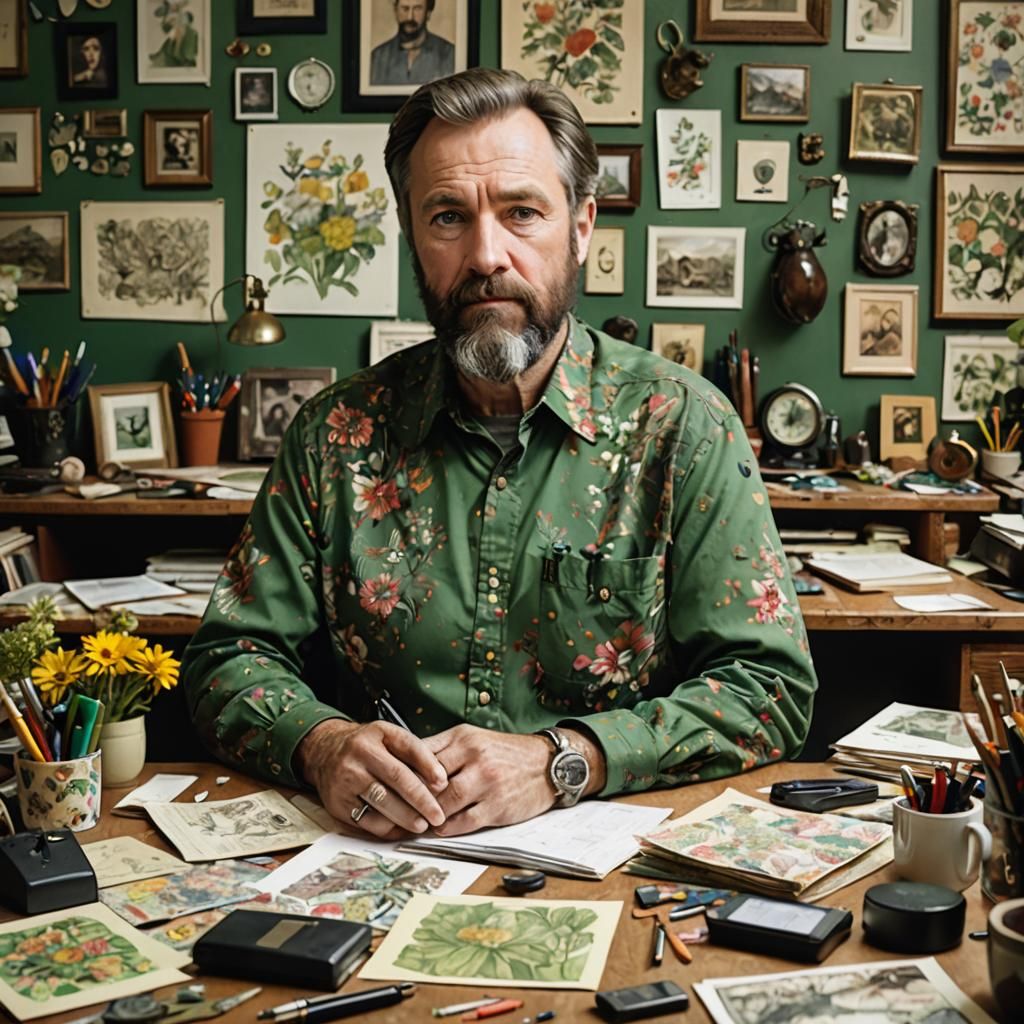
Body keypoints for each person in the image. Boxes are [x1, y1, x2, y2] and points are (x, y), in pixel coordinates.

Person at [182, 68, 817, 841]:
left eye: (522, 212)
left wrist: (565, 760)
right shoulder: (332, 435)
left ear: (581, 226)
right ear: (413, 234)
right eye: (448, 216)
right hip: (375, 854)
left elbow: (768, 690)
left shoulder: (684, 426)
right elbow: (226, 660)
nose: (487, 254)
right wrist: (323, 745)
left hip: (607, 858)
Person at [370, 0, 454, 87]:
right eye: (405, 9)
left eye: (417, 9)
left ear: (428, 13)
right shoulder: (377, 57)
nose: (410, 17)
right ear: (395, 11)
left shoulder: (448, 54)